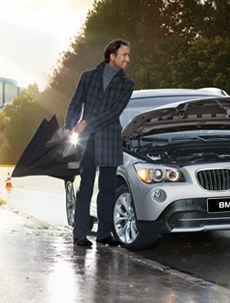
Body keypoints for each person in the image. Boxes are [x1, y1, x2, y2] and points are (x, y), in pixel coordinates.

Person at [65, 39, 135, 247]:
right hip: (87, 141)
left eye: (128, 55)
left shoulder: (127, 84)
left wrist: (87, 123)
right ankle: (79, 234)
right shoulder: (88, 77)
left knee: (107, 189)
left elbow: (114, 112)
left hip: (109, 138)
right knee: (85, 186)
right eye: (124, 55)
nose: (127, 59)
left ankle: (104, 233)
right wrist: (69, 125)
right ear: (111, 56)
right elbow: (76, 102)